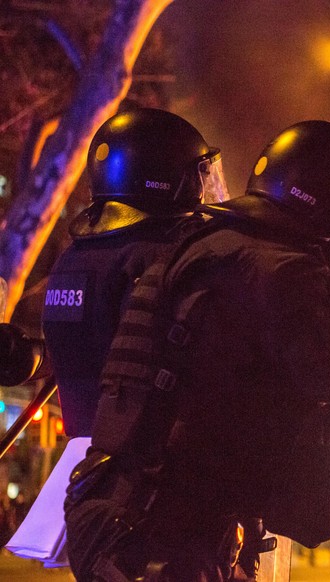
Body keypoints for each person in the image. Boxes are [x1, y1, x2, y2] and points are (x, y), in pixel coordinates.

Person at [64, 120, 330, 581]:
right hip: (164, 542)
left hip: (136, 525)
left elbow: (299, 398)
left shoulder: (218, 252)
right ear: (324, 204)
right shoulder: (281, 273)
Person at [5, 107, 229, 566]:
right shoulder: (160, 261)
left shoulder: (78, 257)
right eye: (200, 173)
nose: (207, 188)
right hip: (158, 485)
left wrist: (32, 358)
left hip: (92, 476)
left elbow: (94, 354)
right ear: (163, 179)